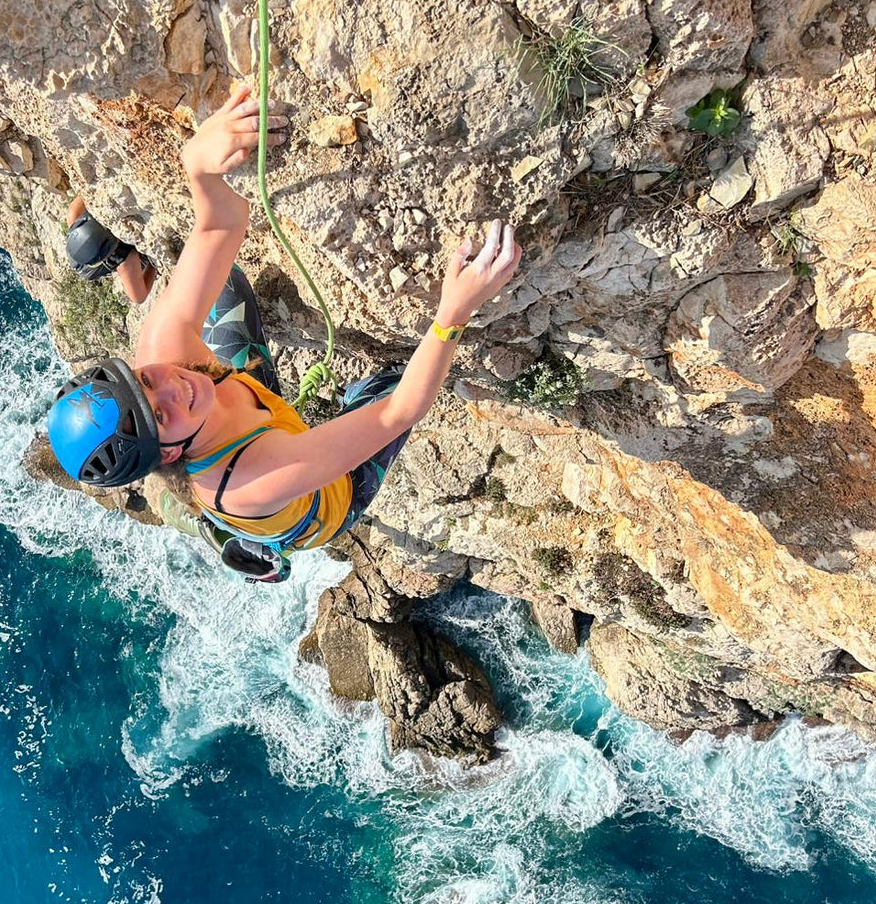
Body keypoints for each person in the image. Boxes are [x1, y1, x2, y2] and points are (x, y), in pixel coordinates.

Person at [46, 84, 522, 581]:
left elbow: (217, 230)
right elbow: (400, 411)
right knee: (391, 382)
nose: (171, 384)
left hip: (247, 412)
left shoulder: (163, 352)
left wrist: (199, 169)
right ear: (166, 452)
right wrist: (453, 312)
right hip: (323, 499)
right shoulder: (254, 478)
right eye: (160, 414)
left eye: (144, 382)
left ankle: (231, 530)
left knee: (222, 283)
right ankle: (261, 548)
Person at [64, 195, 158, 306]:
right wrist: (154, 266)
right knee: (140, 261)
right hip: (91, 263)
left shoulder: (75, 213)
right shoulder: (126, 260)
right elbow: (139, 298)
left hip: (81, 247)